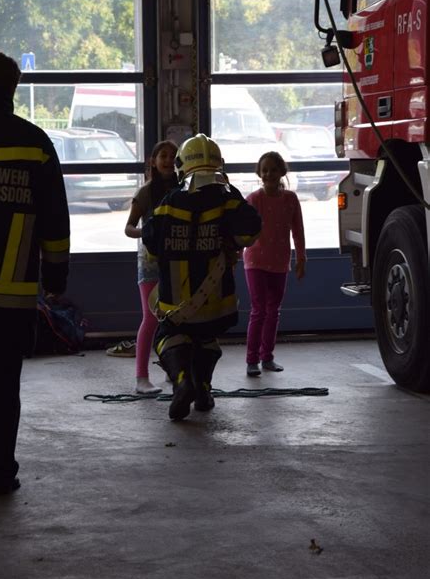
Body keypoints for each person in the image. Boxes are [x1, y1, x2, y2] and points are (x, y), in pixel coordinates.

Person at [0, 51, 70, 496]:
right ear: (15, 90)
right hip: (13, 293)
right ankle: (0, 473)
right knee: (5, 382)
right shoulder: (35, 143)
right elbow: (55, 220)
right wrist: (56, 279)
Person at [142, 133, 261, 420]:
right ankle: (204, 389)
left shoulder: (168, 203)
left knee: (168, 336)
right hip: (217, 302)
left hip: (176, 302)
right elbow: (251, 231)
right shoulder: (228, 199)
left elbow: (151, 246)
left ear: (183, 165)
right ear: (219, 164)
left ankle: (182, 380)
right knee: (206, 337)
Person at [244, 151, 306, 377]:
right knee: (259, 310)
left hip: (279, 262)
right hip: (255, 261)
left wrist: (301, 258)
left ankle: (267, 356)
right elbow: (242, 231)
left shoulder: (290, 199)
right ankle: (252, 359)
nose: (268, 174)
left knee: (273, 312)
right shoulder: (253, 199)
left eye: (273, 169)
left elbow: (298, 230)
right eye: (264, 170)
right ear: (259, 174)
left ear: (282, 172)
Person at [124, 139, 179, 394]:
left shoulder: (183, 190)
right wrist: (148, 231)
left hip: (177, 263)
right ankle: (141, 378)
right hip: (150, 264)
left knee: (176, 318)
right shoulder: (145, 192)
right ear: (154, 162)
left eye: (172, 156)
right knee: (151, 319)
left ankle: (173, 370)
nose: (168, 160)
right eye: (163, 156)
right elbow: (128, 227)